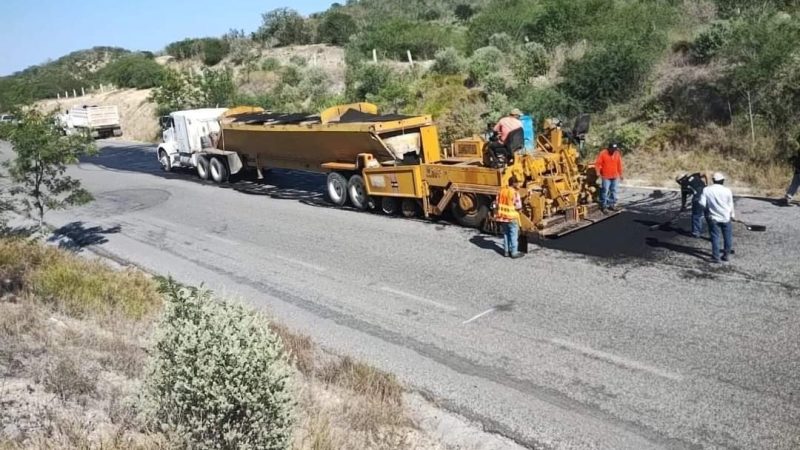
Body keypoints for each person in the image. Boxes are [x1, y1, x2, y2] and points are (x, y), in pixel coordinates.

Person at [699, 172, 734, 263]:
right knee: (728, 237)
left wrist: (707, 210)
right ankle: (726, 255)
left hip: (713, 217)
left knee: (715, 237)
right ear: (722, 181)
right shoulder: (727, 190)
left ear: (713, 180)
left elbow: (702, 203)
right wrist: (732, 215)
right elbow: (730, 204)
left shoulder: (706, 190)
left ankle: (716, 257)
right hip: (726, 217)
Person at [494, 176, 525, 258]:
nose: (518, 184)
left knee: (506, 234)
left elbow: (497, 203)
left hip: (502, 216)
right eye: (517, 183)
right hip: (512, 216)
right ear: (514, 183)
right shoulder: (514, 193)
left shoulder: (501, 191)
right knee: (513, 234)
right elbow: (518, 206)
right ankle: (514, 252)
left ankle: (506, 252)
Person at [676, 172, 708, 237]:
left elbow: (684, 198)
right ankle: (714, 230)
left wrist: (683, 207)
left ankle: (696, 232)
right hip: (708, 194)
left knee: (696, 216)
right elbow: (704, 173)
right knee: (708, 214)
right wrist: (707, 183)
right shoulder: (694, 175)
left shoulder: (684, 186)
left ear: (681, 180)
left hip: (698, 198)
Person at [594, 142, 624, 212]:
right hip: (606, 176)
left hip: (615, 175)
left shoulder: (617, 154)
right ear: (609, 148)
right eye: (612, 149)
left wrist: (621, 174)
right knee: (605, 190)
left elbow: (619, 165)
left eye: (615, 149)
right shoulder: (603, 153)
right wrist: (598, 172)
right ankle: (604, 206)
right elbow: (597, 164)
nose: (613, 151)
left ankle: (612, 205)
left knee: (614, 190)